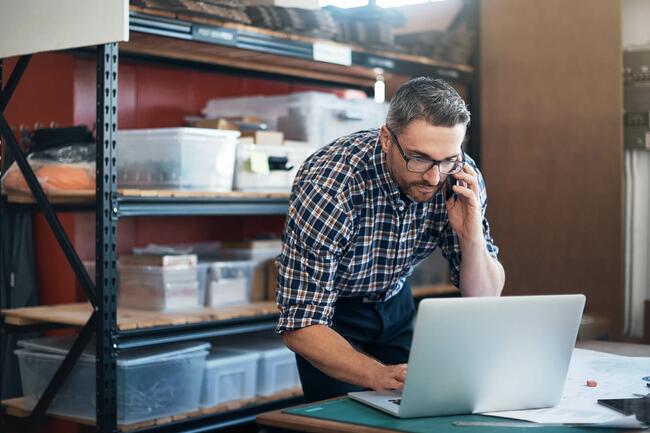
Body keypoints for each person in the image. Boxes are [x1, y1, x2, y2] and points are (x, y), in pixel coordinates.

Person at [275, 77, 505, 403]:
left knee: (424, 410)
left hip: (396, 303)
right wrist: (375, 375)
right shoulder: (331, 184)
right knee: (345, 425)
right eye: (419, 158)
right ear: (386, 138)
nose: (433, 177)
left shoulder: (460, 176)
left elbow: (484, 297)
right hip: (331, 318)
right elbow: (300, 324)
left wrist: (472, 239)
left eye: (447, 159)